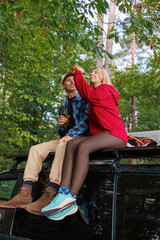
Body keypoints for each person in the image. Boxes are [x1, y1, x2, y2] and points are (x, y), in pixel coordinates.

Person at [41, 65, 128, 220]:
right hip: (102, 135)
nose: (92, 73)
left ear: (103, 78)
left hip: (115, 134)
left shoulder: (106, 90)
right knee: (72, 144)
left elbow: (87, 93)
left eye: (96, 72)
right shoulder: (93, 97)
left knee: (83, 146)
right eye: (91, 72)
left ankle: (72, 197)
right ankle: (63, 192)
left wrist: (78, 72)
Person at [0, 71, 89, 215]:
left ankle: (51, 191)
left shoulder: (85, 99)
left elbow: (86, 123)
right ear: (63, 85)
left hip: (82, 139)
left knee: (62, 145)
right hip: (66, 138)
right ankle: (25, 192)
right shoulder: (64, 105)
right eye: (68, 80)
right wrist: (62, 126)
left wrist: (69, 135)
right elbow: (61, 132)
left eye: (74, 80)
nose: (72, 82)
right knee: (35, 149)